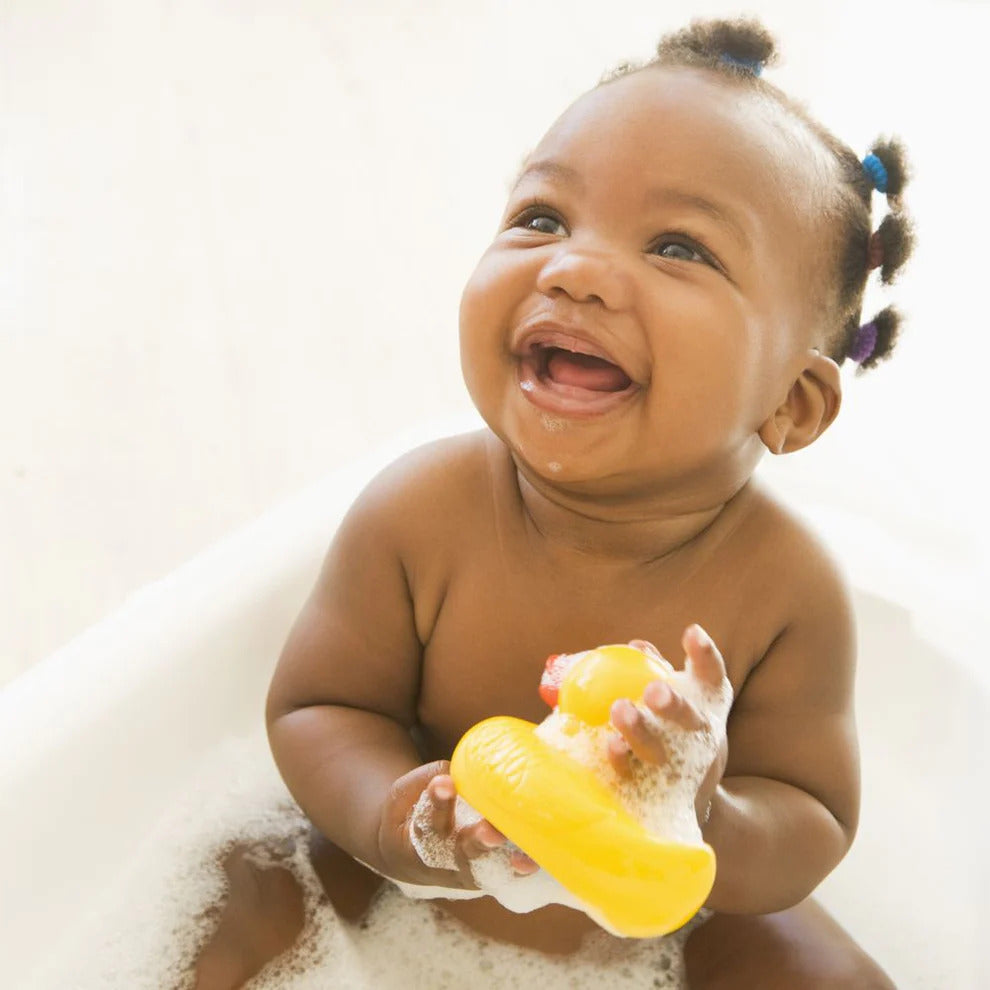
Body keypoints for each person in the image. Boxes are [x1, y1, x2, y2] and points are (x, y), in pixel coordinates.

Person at [194, 17, 912, 989]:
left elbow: (812, 814)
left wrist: (706, 812)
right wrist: (398, 818)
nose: (571, 269)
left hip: (664, 918)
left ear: (791, 401)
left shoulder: (787, 586)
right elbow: (324, 705)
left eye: (677, 247)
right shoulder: (422, 512)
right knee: (240, 884)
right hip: (408, 887)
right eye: (543, 218)